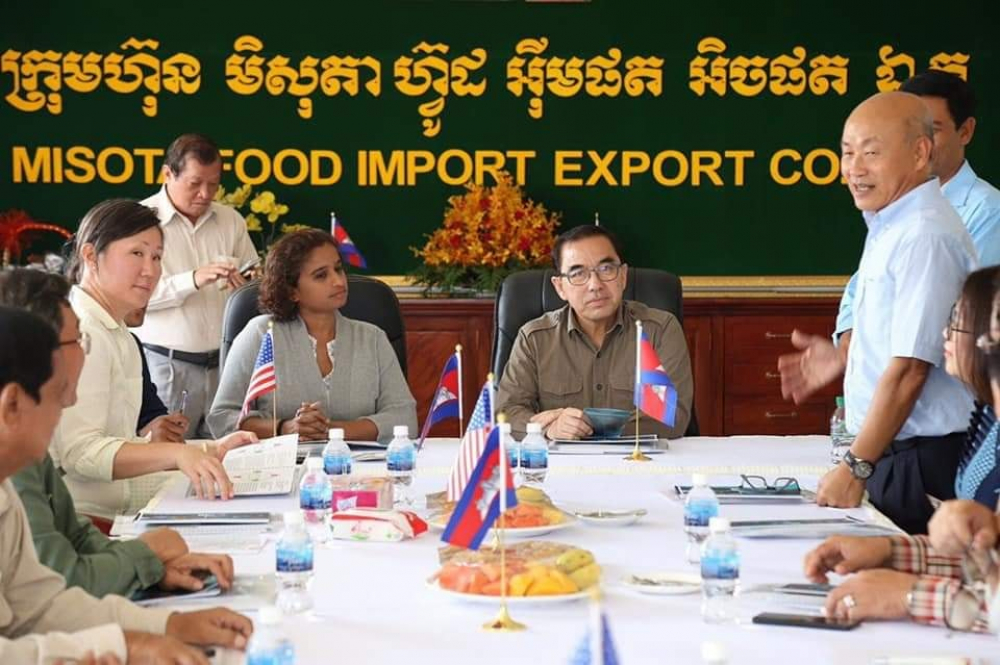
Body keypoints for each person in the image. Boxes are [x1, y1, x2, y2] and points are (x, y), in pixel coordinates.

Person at [0, 306, 253, 664]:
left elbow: (40, 608)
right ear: (11, 404)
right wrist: (129, 645)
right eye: (58, 395)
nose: (71, 402)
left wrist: (167, 625)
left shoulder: (7, 487)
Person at [777, 91, 977, 534]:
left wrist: (856, 467)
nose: (854, 168)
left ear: (920, 153)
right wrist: (847, 355)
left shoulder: (924, 235)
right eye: (847, 153)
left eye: (871, 152)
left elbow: (910, 371)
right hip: (896, 452)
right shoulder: (892, 225)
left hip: (922, 460)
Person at [0, 268, 236, 600]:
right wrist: (146, 554)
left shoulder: (29, 445)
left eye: (156, 256)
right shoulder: (16, 453)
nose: (85, 350)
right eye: (77, 340)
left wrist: (153, 572)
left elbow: (77, 537)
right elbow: (63, 580)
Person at [802, 270, 1000, 631]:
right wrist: (890, 551)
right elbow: (988, 561)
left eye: (957, 320)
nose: (944, 334)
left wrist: (910, 595)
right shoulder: (989, 422)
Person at [54, 199, 256, 522]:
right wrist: (178, 454)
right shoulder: (82, 332)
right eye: (137, 253)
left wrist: (211, 450)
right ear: (90, 256)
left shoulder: (119, 333)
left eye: (157, 257)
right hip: (86, 521)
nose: (150, 271)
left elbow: (120, 444)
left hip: (121, 506)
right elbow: (80, 454)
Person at [835, 70, 1000, 342]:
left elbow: (958, 317)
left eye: (932, 131)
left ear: (965, 131)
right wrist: (846, 347)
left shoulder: (989, 212)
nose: (920, 145)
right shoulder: (891, 208)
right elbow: (859, 292)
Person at [208, 229, 417, 442]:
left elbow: (405, 417)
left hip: (360, 462)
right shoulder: (262, 333)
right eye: (321, 275)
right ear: (292, 291)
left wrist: (332, 431)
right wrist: (285, 428)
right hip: (282, 462)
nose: (338, 281)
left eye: (338, 269)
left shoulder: (373, 338)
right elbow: (222, 418)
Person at [496, 224, 693, 440]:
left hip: (638, 458)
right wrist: (549, 429)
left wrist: (591, 426)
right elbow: (506, 412)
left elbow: (672, 416)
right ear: (560, 287)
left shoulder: (660, 330)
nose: (595, 285)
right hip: (560, 460)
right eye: (578, 273)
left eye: (606, 269)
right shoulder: (534, 338)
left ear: (623, 276)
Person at [135, 133, 258, 439]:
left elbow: (253, 278)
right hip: (167, 366)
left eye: (213, 184)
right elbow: (133, 295)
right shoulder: (139, 220)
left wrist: (248, 283)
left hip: (224, 365)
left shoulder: (230, 220)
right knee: (167, 454)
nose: (205, 194)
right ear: (167, 174)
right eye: (195, 183)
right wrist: (193, 279)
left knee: (228, 452)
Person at [126, 307, 188, 443]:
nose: (145, 302)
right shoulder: (88, 342)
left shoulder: (130, 342)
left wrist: (165, 427)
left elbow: (150, 411)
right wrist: (143, 437)